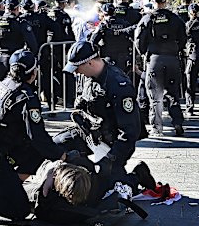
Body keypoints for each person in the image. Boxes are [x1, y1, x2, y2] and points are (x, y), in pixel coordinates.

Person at [0, 49, 76, 220]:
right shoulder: (26, 97)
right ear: (33, 73)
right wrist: (63, 157)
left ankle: (12, 185)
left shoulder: (3, 85)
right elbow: (38, 138)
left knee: (38, 153)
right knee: (19, 210)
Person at [61, 41, 156, 194]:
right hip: (89, 133)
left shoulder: (118, 85)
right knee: (58, 146)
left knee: (106, 189)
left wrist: (111, 159)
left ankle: (136, 176)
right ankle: (86, 173)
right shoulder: (88, 76)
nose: (76, 72)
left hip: (111, 144)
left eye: (77, 68)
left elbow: (130, 131)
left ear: (90, 63)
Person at [134, 0, 186, 137]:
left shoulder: (147, 19)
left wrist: (145, 53)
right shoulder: (175, 19)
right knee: (173, 94)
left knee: (155, 97)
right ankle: (177, 122)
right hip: (172, 58)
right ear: (165, 1)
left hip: (155, 59)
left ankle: (157, 128)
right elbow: (184, 37)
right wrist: (177, 49)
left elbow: (139, 39)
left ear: (153, 1)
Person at [0, 0, 38, 84]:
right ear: (17, 8)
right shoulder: (20, 23)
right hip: (16, 60)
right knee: (17, 89)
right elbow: (32, 45)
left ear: (5, 8)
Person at [89, 3, 135, 75]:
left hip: (108, 57)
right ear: (114, 12)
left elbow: (92, 41)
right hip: (123, 57)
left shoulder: (103, 26)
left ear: (103, 13)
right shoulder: (124, 23)